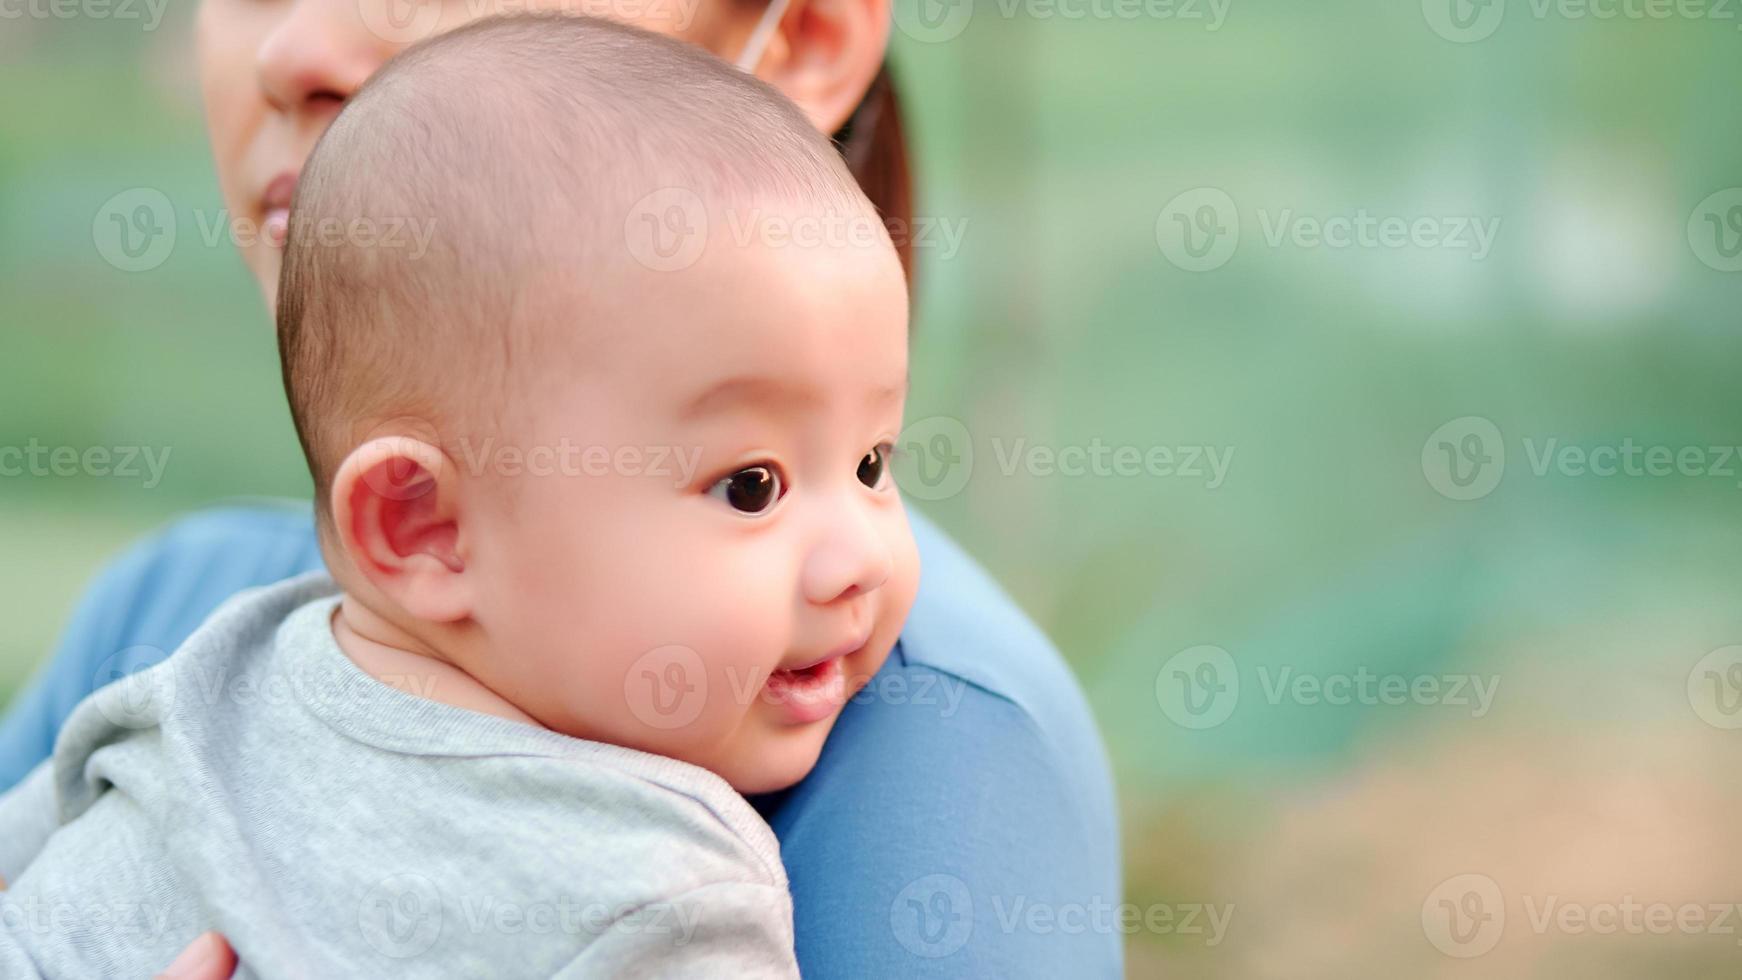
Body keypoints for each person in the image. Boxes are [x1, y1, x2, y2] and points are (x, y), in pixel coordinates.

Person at [0, 0, 1122, 975]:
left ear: (804, 36)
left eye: (873, 463)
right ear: (412, 524)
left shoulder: (933, 765)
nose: (295, 48)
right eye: (749, 486)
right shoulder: (168, 632)